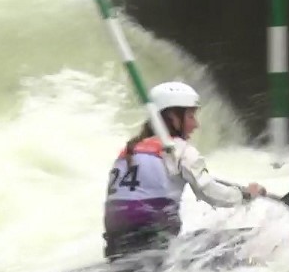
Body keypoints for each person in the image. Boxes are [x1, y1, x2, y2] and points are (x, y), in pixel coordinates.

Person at [103, 81, 267, 260]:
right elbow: (210, 192)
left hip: (116, 242)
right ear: (173, 117)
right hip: (154, 239)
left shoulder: (128, 151)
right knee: (240, 239)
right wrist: (245, 195)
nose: (196, 124)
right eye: (190, 116)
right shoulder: (178, 149)